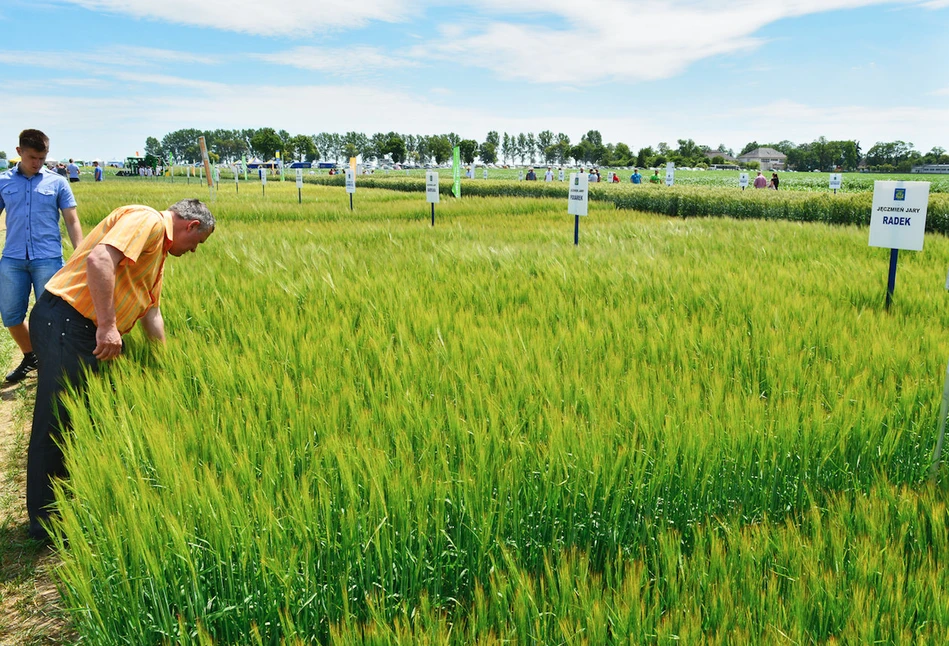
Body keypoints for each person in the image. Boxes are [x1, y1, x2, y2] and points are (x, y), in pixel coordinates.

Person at [26, 198, 215, 542]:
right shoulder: (148, 221)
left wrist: (164, 362)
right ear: (190, 226)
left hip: (82, 328)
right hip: (69, 322)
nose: (193, 252)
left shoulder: (156, 252)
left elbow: (151, 312)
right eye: (197, 243)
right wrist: (108, 326)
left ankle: (66, 504)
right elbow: (100, 258)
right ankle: (46, 526)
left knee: (83, 418)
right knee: (57, 422)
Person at [0, 129, 84, 384]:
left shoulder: (57, 182)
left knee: (51, 316)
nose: (37, 163)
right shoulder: (3, 181)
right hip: (13, 260)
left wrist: (80, 254)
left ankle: (53, 365)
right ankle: (30, 357)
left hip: (47, 259)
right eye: (32, 157)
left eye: (42, 157)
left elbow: (72, 220)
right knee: (11, 316)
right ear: (19, 153)